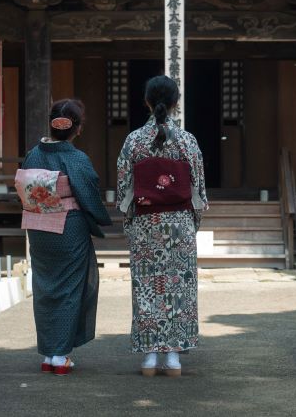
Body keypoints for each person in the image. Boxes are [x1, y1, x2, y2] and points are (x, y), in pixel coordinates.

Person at [116, 75, 208, 377]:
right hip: (179, 223)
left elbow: (124, 188)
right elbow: (199, 190)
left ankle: (149, 357)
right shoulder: (187, 140)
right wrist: (192, 223)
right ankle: (173, 358)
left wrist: (131, 223)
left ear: (146, 102)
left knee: (146, 287)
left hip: (145, 222)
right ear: (175, 103)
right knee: (178, 288)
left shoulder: (134, 141)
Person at [18, 99, 112, 376]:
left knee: (46, 288)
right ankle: (60, 356)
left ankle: (48, 353)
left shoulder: (32, 155)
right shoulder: (76, 159)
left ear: (52, 123)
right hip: (68, 228)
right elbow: (89, 195)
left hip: (37, 226)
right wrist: (101, 219)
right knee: (69, 288)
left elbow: (23, 192)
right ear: (77, 129)